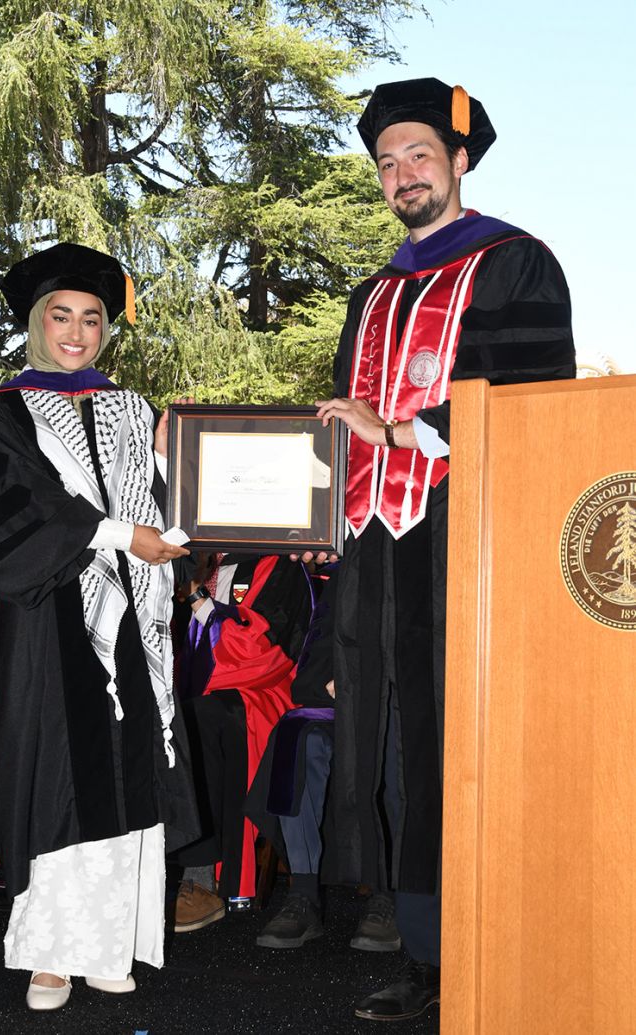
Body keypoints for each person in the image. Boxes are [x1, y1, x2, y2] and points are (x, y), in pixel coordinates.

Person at [311, 78, 576, 1021]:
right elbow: (349, 428)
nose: (402, 174)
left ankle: (487, 946)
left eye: (420, 154)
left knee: (455, 741)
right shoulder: (372, 292)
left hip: (466, 538)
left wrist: (405, 427)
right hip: (376, 553)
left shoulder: (513, 264)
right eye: (387, 162)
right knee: (388, 747)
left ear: (461, 160)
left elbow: (538, 402)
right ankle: (422, 950)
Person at [0, 243, 199, 1010]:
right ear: (36, 322)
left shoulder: (132, 408)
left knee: (128, 777)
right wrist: (123, 537)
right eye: (61, 314)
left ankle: (108, 943)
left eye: (92, 318)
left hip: (135, 624)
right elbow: (14, 511)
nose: (77, 331)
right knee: (59, 777)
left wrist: (173, 464)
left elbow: (169, 504)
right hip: (50, 620)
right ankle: (51, 954)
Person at [249, 565, 401, 953]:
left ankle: (389, 893)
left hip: (397, 705)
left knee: (389, 744)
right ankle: (304, 893)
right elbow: (317, 661)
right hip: (337, 706)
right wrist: (336, 681)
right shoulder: (350, 568)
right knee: (296, 736)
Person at [171, 551, 313, 931]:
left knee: (204, 717)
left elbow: (262, 653)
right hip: (187, 691)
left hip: (259, 697)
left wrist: (197, 597)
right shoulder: (185, 557)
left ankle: (199, 877)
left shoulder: (278, 564)